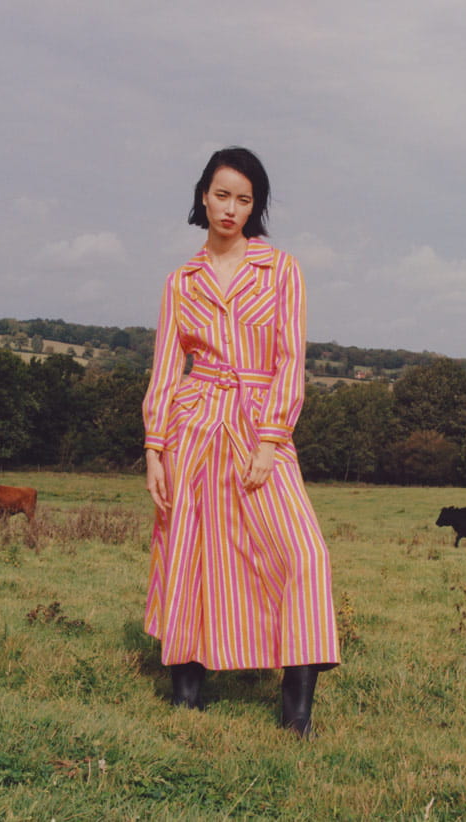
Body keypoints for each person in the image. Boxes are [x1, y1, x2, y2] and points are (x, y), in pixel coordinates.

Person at [142, 147, 340, 737]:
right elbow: (163, 368)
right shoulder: (181, 281)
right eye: (222, 195)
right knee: (190, 555)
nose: (231, 208)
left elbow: (290, 361)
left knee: (305, 554)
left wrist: (272, 439)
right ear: (203, 196)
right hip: (193, 426)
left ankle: (296, 710)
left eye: (245, 199)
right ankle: (187, 697)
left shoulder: (281, 270)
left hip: (260, 424)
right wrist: (155, 447)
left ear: (257, 207)